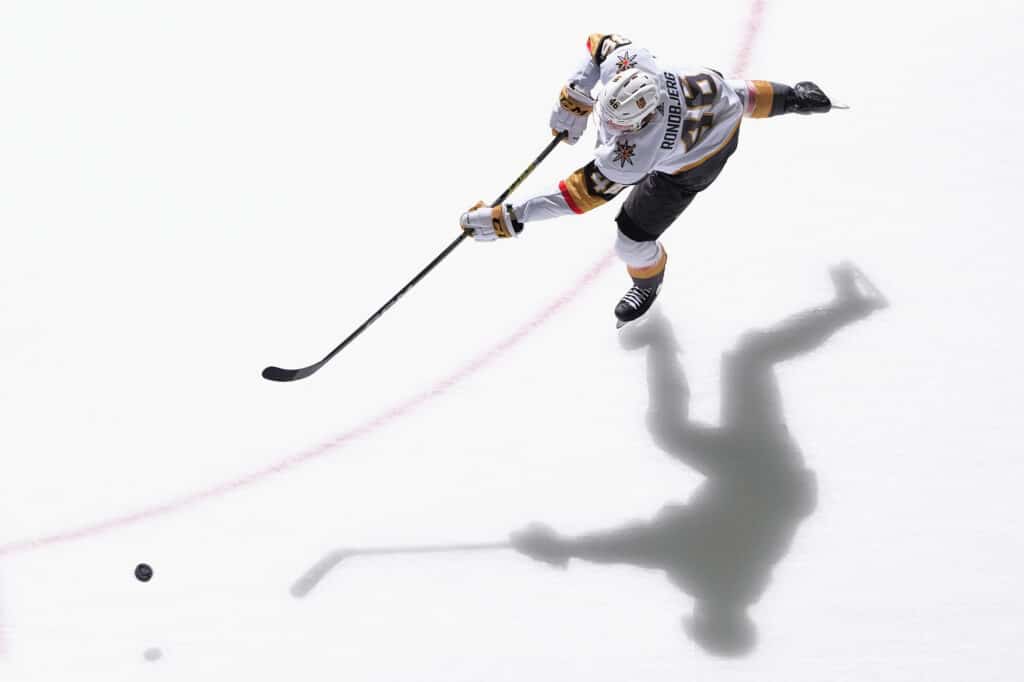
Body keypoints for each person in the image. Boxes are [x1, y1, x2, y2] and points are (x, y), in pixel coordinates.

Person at [460, 33, 836, 327]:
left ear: (643, 123)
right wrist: (576, 94)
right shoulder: (634, 64)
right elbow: (600, 43)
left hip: (695, 163)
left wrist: (513, 215)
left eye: (618, 126)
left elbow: (575, 196)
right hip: (712, 93)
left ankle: (647, 283)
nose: (607, 126)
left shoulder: (637, 154)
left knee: (631, 240)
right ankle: (794, 98)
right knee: (731, 94)